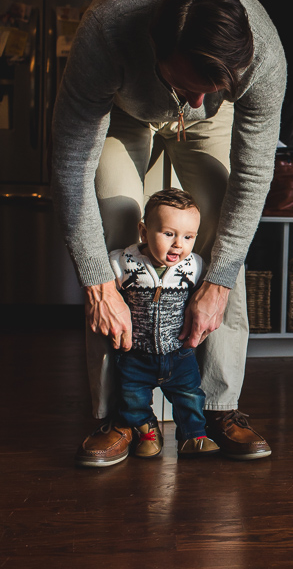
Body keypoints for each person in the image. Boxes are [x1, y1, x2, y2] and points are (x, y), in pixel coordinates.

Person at [52, 0, 284, 467]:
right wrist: (97, 282)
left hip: (206, 128)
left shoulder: (262, 58)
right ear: (156, 50)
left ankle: (221, 405)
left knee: (226, 225)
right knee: (115, 218)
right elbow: (70, 161)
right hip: (124, 110)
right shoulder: (107, 33)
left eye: (211, 88)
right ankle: (117, 415)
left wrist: (218, 281)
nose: (197, 99)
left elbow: (254, 175)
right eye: (187, 85)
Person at [108, 188, 220, 461]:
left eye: (188, 237)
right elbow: (109, 295)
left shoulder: (194, 266)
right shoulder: (122, 262)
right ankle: (147, 432)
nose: (178, 244)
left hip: (178, 352)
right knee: (132, 398)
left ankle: (193, 436)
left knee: (190, 396)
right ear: (144, 233)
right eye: (168, 234)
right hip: (136, 353)